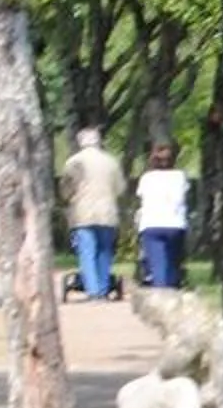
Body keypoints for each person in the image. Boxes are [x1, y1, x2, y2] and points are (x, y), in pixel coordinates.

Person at [61, 126, 126, 300]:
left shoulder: (74, 162)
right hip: (107, 212)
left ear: (81, 142)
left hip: (83, 213)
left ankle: (93, 291)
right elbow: (119, 188)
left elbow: (67, 189)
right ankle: (104, 288)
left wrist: (69, 198)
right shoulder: (111, 162)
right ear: (99, 141)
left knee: (87, 251)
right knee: (105, 251)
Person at [135, 140, 192, 289]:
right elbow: (183, 196)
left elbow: (141, 196)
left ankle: (161, 295)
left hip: (152, 224)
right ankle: (173, 291)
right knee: (174, 263)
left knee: (157, 265)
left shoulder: (147, 178)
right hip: (175, 224)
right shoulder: (180, 176)